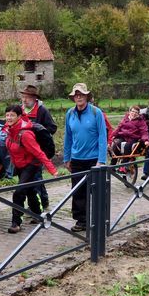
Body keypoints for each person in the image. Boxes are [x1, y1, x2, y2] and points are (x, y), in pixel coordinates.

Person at [4, 105, 58, 234]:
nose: (9, 118)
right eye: (7, 115)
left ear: (19, 117)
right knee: (30, 190)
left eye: (12, 115)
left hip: (31, 165)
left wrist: (52, 170)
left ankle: (16, 223)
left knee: (19, 192)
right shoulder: (8, 130)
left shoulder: (25, 134)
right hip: (20, 165)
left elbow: (39, 153)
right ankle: (38, 214)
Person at [63, 83, 108, 232]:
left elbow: (102, 136)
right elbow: (68, 137)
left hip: (93, 159)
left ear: (87, 96)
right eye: (76, 95)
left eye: (81, 94)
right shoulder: (70, 114)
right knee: (78, 192)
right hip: (77, 159)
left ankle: (100, 219)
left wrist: (101, 160)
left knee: (96, 191)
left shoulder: (96, 113)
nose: (78, 97)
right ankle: (82, 221)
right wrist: (67, 157)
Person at [21, 85, 57, 210]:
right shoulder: (21, 110)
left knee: (35, 177)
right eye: (23, 97)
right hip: (24, 151)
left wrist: (39, 133)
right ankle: (43, 201)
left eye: (27, 97)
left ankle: (37, 208)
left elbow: (52, 127)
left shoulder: (42, 110)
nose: (24, 100)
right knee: (32, 177)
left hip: (38, 149)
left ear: (34, 98)